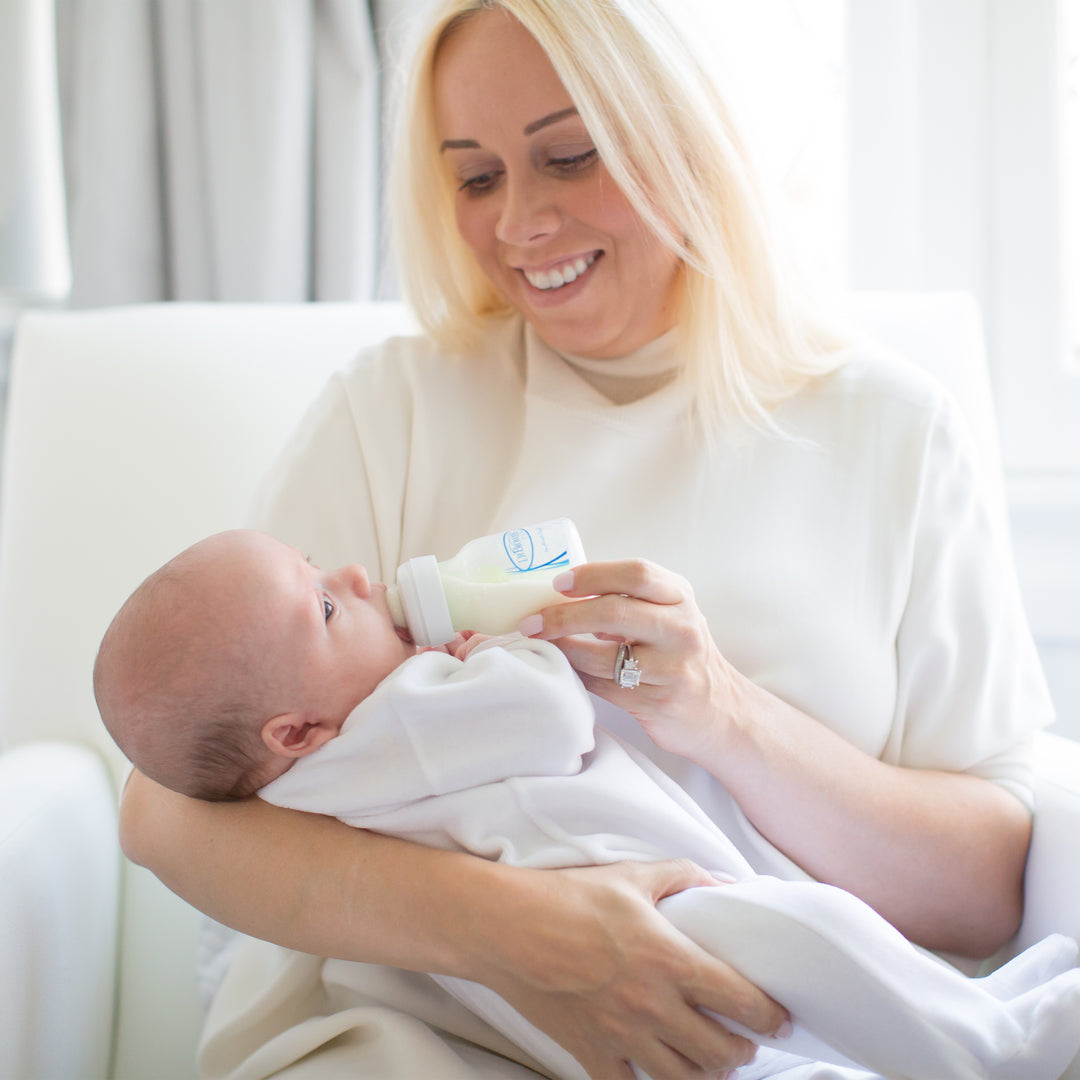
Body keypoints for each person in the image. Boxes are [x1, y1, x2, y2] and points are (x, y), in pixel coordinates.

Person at [116, 2, 1064, 1079]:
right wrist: (524, 934)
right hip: (403, 1038)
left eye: (569, 157)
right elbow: (167, 808)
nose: (519, 223)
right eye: (475, 178)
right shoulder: (395, 408)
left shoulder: (891, 428)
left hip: (759, 1035)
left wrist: (723, 712)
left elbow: (987, 894)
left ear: (685, 137)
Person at [96, 528, 1080, 1080]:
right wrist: (509, 651)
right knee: (814, 938)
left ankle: (973, 1022)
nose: (356, 575)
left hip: (600, 977)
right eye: (323, 605)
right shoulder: (399, 715)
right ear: (291, 732)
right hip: (647, 908)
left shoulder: (309, 762)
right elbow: (546, 721)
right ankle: (999, 1042)